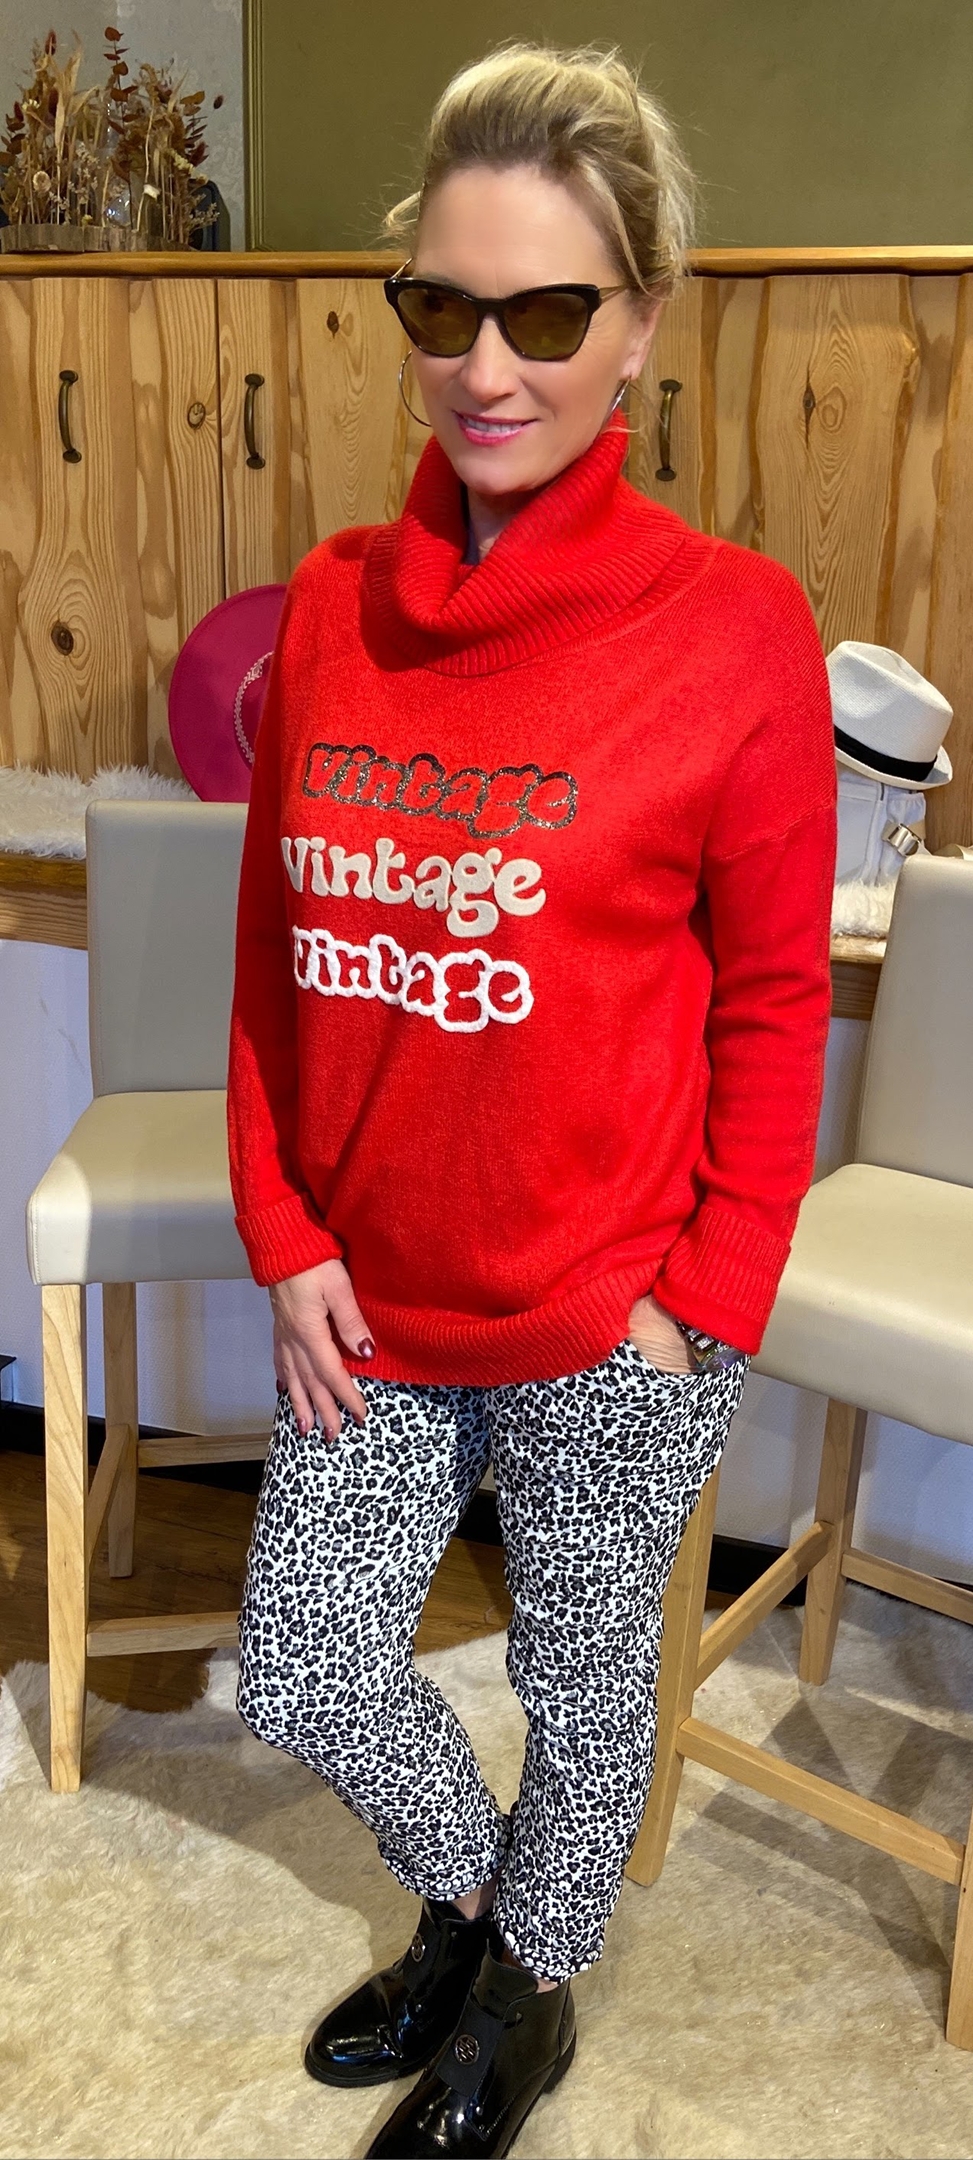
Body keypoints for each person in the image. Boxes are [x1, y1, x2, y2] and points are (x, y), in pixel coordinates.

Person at [227, 40, 837, 2160]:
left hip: (611, 1311)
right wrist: (281, 1229)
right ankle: (478, 1909)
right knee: (306, 1664)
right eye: (445, 308)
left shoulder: (734, 631)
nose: (487, 369)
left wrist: (708, 1301)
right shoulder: (330, 612)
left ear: (639, 323)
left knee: (584, 1695)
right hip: (369, 1301)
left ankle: (526, 2002)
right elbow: (271, 965)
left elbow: (775, 1006)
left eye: (549, 313)